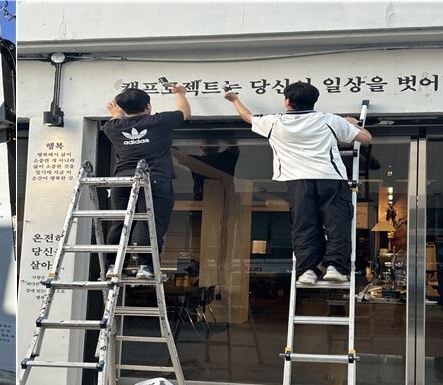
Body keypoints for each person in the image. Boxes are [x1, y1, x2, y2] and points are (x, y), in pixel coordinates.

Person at [223, 82, 372, 285]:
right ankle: (335, 267)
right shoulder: (330, 120)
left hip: (297, 181)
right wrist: (351, 123)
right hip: (330, 178)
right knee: (337, 223)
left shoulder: (275, 122)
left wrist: (234, 100)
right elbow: (366, 138)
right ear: (314, 101)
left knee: (304, 225)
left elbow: (247, 116)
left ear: (287, 102)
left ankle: (307, 271)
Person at [103, 84, 190, 279]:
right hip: (154, 180)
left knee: (121, 223)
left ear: (122, 109)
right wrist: (180, 94)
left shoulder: (112, 127)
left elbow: (115, 120)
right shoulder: (159, 121)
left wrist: (117, 114)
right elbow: (184, 112)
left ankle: (113, 266)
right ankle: (146, 266)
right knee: (151, 224)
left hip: (122, 182)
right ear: (148, 106)